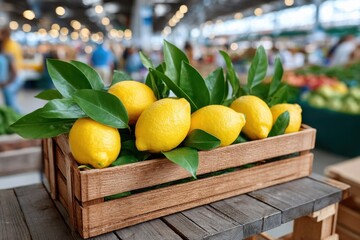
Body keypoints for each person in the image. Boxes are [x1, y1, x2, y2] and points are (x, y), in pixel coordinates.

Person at [0, 27, 22, 113]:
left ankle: (19, 121)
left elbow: (13, 69)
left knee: (11, 105)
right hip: (12, 77)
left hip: (13, 78)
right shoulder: (12, 44)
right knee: (9, 104)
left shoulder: (9, 46)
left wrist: (7, 82)